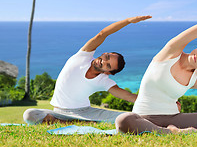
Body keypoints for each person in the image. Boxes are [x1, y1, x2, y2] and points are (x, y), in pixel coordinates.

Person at [23, 15, 151, 125]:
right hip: (58, 112)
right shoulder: (83, 55)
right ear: (104, 53)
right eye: (106, 57)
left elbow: (128, 96)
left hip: (86, 112)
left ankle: (79, 122)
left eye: (107, 65)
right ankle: (74, 122)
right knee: (29, 114)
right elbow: (103, 34)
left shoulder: (104, 81)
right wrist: (128, 21)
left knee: (128, 117)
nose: (102, 61)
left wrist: (157, 102)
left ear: (108, 72)